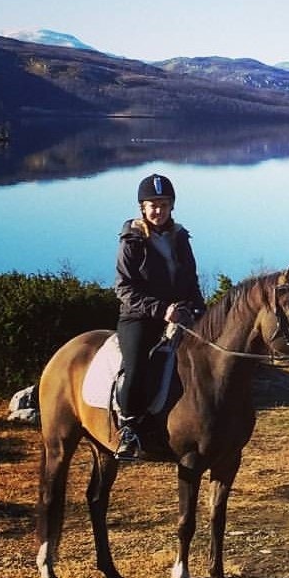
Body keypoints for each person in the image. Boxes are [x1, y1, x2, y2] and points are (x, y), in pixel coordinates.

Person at [113, 173, 206, 460]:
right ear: (142, 207)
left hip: (180, 314)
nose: (158, 210)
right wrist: (160, 309)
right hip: (139, 317)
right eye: (152, 205)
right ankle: (129, 428)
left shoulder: (180, 238)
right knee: (138, 365)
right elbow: (123, 287)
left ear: (171, 206)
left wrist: (197, 309)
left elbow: (191, 280)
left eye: (163, 204)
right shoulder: (132, 240)